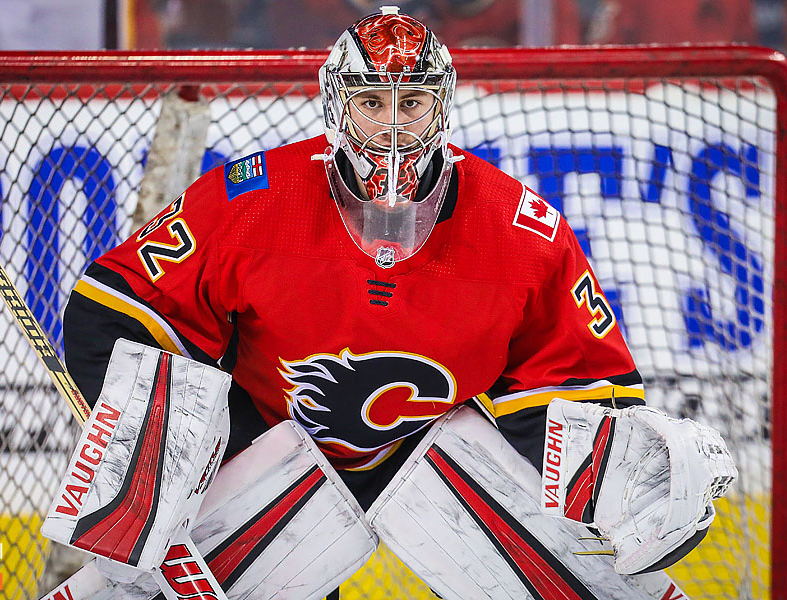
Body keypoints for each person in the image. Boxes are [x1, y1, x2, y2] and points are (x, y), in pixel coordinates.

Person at [62, 7, 729, 596]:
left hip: (436, 449)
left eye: (410, 103)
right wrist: (177, 453)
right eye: (371, 103)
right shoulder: (254, 200)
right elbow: (115, 310)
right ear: (336, 105)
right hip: (269, 445)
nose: (391, 127)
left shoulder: (521, 232)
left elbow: (574, 385)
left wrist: (620, 479)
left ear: (441, 105)